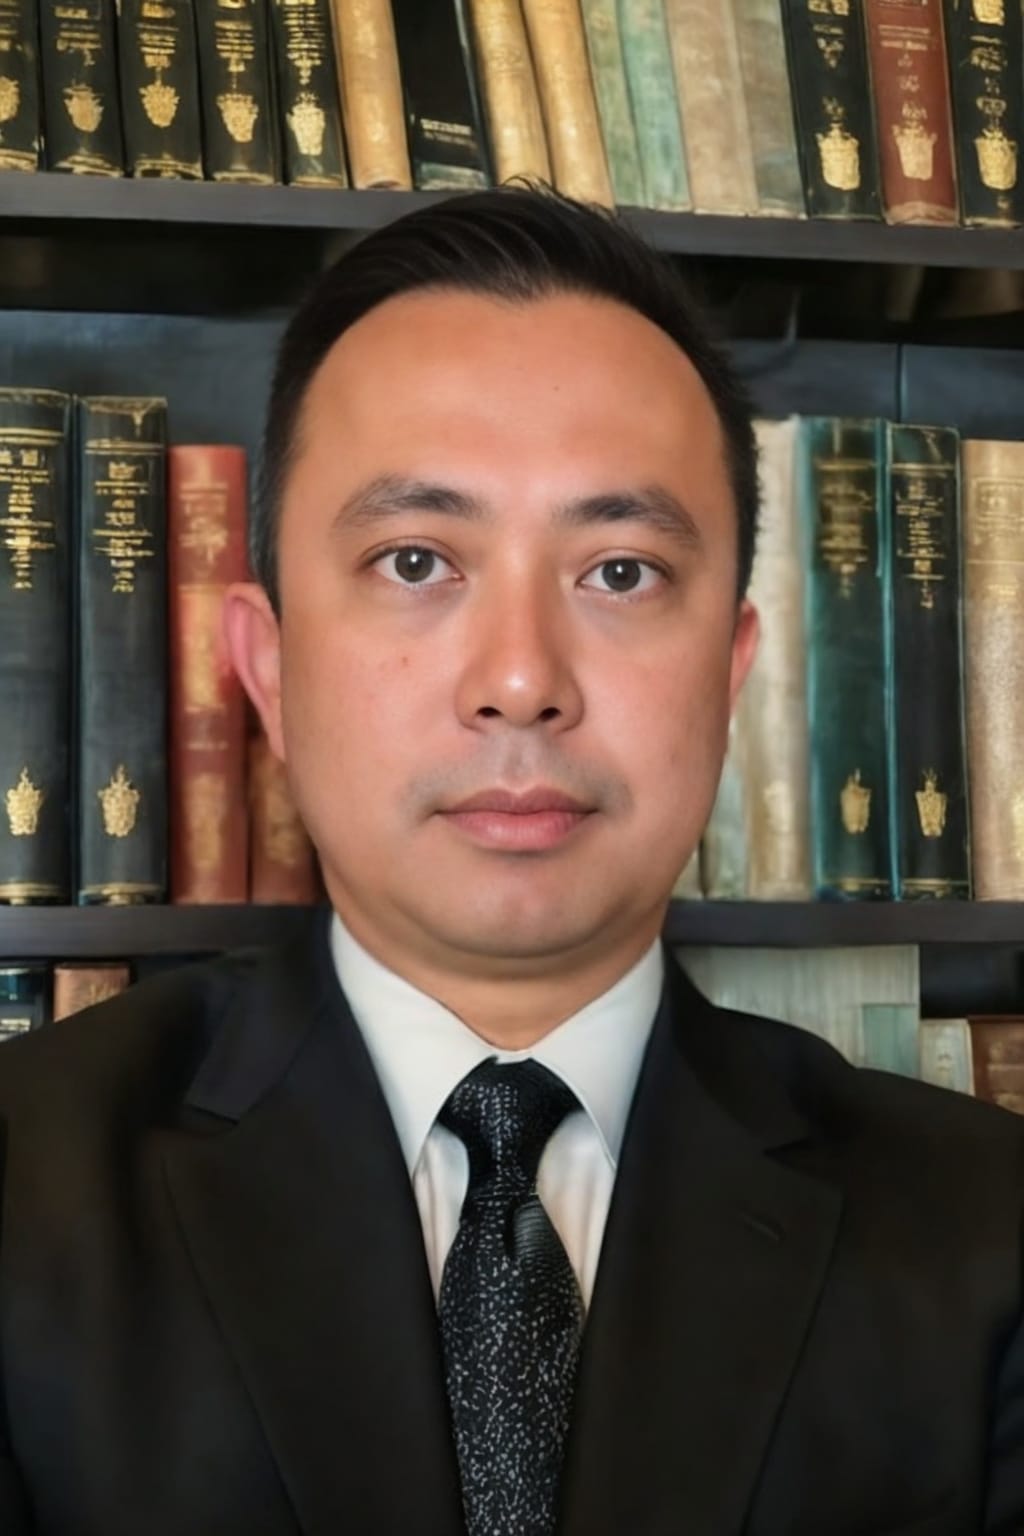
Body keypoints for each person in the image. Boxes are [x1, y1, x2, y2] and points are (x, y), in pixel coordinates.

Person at [0, 186, 1021, 1536]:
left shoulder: (986, 1235)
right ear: (268, 669)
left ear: (729, 676)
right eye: (417, 559)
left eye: (621, 572)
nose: (524, 680)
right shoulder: (24, 1193)